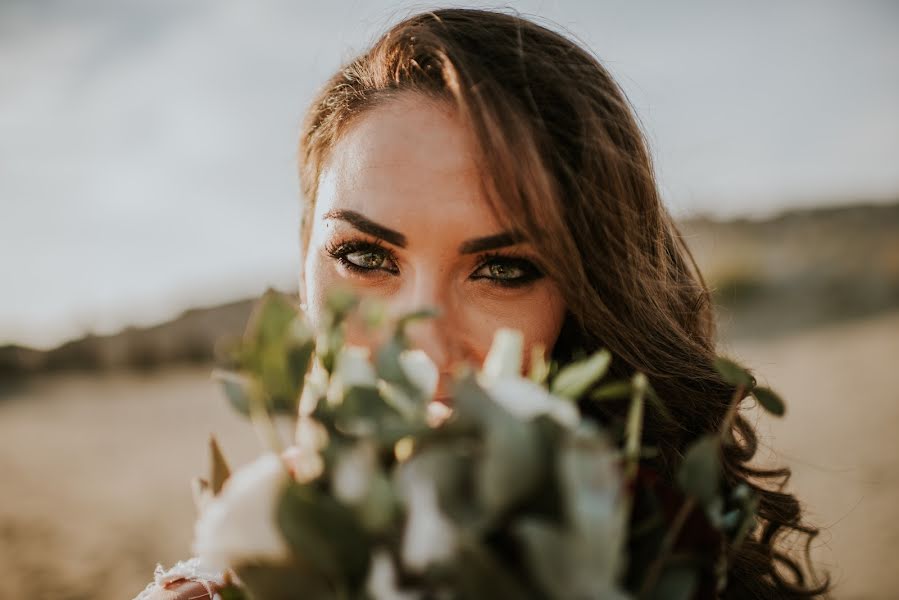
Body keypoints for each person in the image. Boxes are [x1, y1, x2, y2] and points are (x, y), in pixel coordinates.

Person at [137, 8, 828, 599]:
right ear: (302, 264)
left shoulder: (670, 561)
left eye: (502, 268)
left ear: (589, 297)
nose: (421, 349)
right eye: (366, 257)